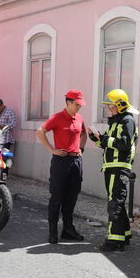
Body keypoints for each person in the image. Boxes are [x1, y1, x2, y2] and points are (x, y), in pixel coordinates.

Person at [88, 89, 138, 252]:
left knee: (114, 204)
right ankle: (123, 236)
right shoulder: (117, 121)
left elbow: (123, 144)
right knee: (118, 203)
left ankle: (112, 242)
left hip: (119, 167)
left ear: (121, 105)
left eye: (112, 106)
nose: (110, 109)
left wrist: (103, 138)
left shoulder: (127, 120)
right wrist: (96, 139)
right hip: (112, 167)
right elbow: (110, 144)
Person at [36, 90, 87, 244]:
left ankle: (68, 229)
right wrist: (52, 149)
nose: (79, 107)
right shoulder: (57, 117)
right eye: (77, 104)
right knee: (57, 196)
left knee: (72, 196)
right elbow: (40, 132)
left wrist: (81, 148)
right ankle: (53, 232)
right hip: (61, 162)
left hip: (76, 161)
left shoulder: (79, 118)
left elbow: (83, 134)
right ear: (68, 102)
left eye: (80, 104)